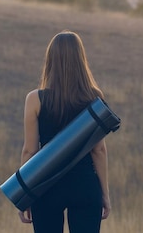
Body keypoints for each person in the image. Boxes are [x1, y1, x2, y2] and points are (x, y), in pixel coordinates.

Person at [18, 30, 111, 233]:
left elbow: (30, 151)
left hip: (46, 186)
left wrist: (24, 194)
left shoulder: (35, 99)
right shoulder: (94, 97)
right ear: (81, 61)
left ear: (50, 61)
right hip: (85, 184)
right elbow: (99, 151)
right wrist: (104, 194)